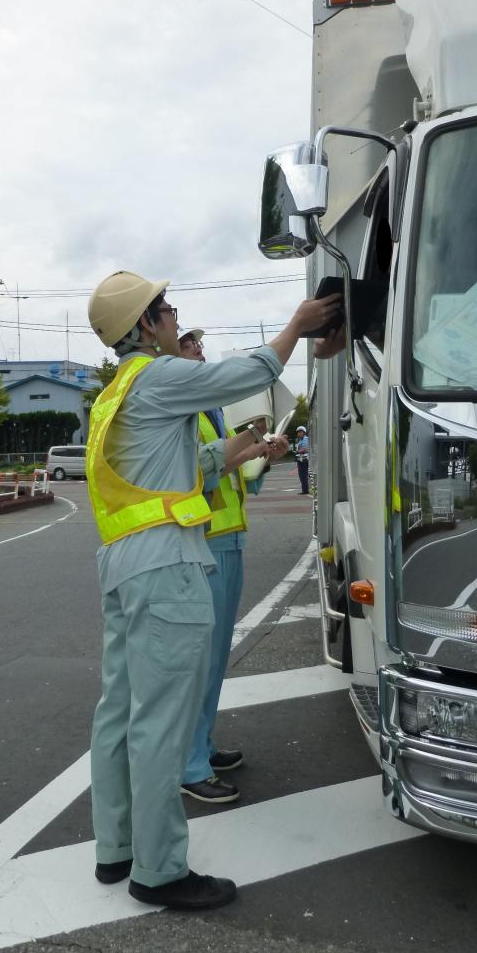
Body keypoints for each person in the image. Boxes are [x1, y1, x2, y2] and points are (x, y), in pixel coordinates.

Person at [86, 270, 341, 911]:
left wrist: (243, 450)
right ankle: (161, 870)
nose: (175, 319)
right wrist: (296, 327)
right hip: (166, 568)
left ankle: (115, 849)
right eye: (167, 310)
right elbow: (244, 373)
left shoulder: (115, 395)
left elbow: (187, 467)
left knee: (119, 713)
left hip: (123, 566)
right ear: (144, 325)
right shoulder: (158, 376)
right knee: (162, 723)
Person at [178, 327, 289, 805]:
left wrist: (261, 456)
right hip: (206, 543)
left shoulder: (211, 409)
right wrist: (248, 440)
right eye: (189, 344)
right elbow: (196, 472)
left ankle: (202, 746)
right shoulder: (181, 408)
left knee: (217, 657)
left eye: (201, 344)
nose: (200, 351)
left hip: (229, 539)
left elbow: (232, 475)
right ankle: (189, 763)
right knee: (200, 662)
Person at [294, 425, 310, 495]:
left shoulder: (305, 439)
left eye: (300, 432)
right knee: (303, 476)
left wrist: (297, 451)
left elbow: (305, 449)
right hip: (301, 459)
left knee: (303, 475)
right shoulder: (300, 440)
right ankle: (305, 489)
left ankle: (305, 490)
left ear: (304, 432)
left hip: (304, 460)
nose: (299, 433)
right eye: (298, 432)